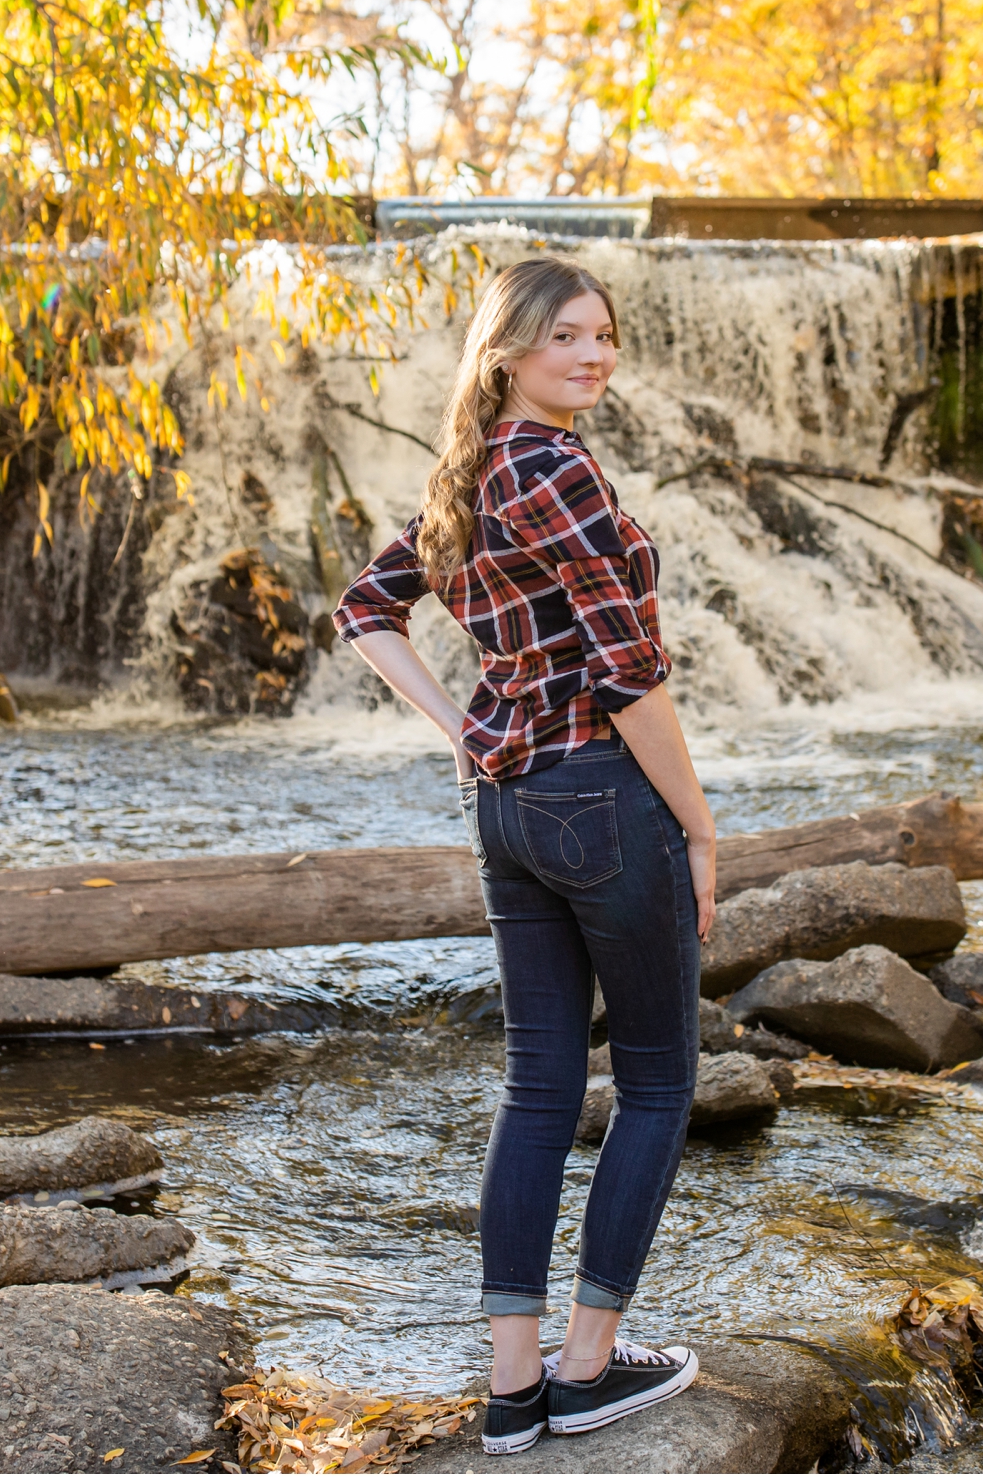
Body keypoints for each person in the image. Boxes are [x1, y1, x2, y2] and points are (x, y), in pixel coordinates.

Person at [334, 255, 715, 1454]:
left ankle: (513, 1389)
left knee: (540, 1089)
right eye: (567, 339)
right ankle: (589, 1367)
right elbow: (630, 672)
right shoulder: (554, 466)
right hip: (600, 797)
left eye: (605, 335)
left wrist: (466, 728)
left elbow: (364, 608)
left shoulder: (471, 468)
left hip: (505, 805)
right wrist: (701, 826)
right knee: (655, 1082)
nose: (594, 356)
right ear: (508, 351)